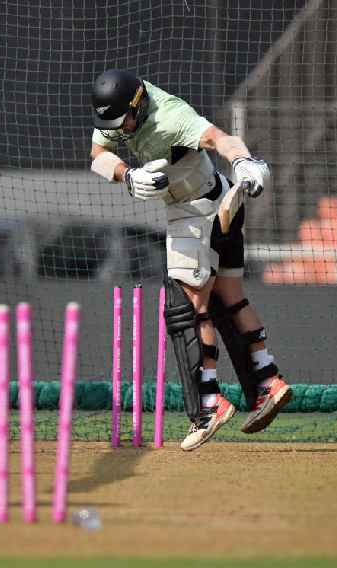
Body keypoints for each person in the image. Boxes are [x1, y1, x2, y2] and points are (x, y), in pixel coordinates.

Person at [89, 69, 292, 451]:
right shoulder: (118, 112)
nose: (120, 131)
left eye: (125, 122)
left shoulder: (171, 116)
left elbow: (220, 138)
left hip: (196, 213)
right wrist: (127, 176)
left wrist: (245, 161)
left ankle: (209, 406)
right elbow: (97, 154)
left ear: (140, 105)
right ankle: (268, 381)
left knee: (188, 311)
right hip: (218, 201)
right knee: (231, 297)